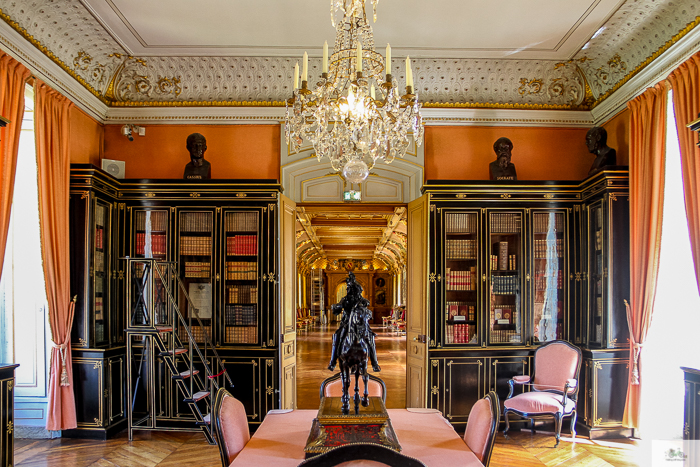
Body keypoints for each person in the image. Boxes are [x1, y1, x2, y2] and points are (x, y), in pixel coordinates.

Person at [327, 272, 381, 372]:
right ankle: (333, 362)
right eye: (348, 289)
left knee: (370, 339)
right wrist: (336, 307)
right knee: (337, 337)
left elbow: (366, 313)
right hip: (346, 323)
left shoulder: (363, 301)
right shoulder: (345, 300)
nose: (349, 291)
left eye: (350, 289)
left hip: (361, 325)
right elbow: (336, 311)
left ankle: (375, 363)